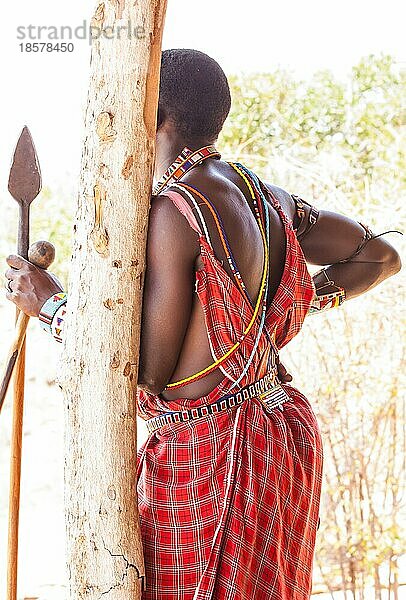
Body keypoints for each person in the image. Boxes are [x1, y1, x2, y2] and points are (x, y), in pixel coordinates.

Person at [4, 49, 401, 600]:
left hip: (211, 460)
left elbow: (143, 369)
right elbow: (378, 257)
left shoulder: (174, 210)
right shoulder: (263, 197)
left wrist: (50, 306)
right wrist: (293, 303)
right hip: (279, 438)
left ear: (151, 111)